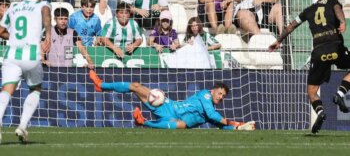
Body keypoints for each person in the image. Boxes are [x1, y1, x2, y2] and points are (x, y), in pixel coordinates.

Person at [269, 0, 350, 134]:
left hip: (319, 52)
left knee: (312, 90)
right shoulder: (333, 3)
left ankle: (320, 112)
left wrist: (279, 40)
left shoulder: (309, 9)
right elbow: (338, 10)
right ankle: (339, 94)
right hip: (335, 47)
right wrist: (343, 21)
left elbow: (291, 26)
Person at [89, 70, 256, 130]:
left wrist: (239, 128)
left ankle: (143, 122)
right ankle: (101, 85)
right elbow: (214, 117)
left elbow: (219, 124)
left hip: (175, 120)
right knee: (135, 86)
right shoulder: (206, 95)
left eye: (223, 96)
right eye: (219, 93)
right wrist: (234, 123)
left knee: (183, 125)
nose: (221, 97)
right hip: (167, 106)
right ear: (213, 91)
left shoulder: (209, 110)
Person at [0, 0, 51, 143]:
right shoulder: (43, 4)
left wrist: (12, 37)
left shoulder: (13, 7)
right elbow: (46, 14)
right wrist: (48, 35)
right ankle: (22, 126)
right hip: (31, 54)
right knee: (35, 89)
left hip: (12, 55)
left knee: (7, 90)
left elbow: (0, 31)